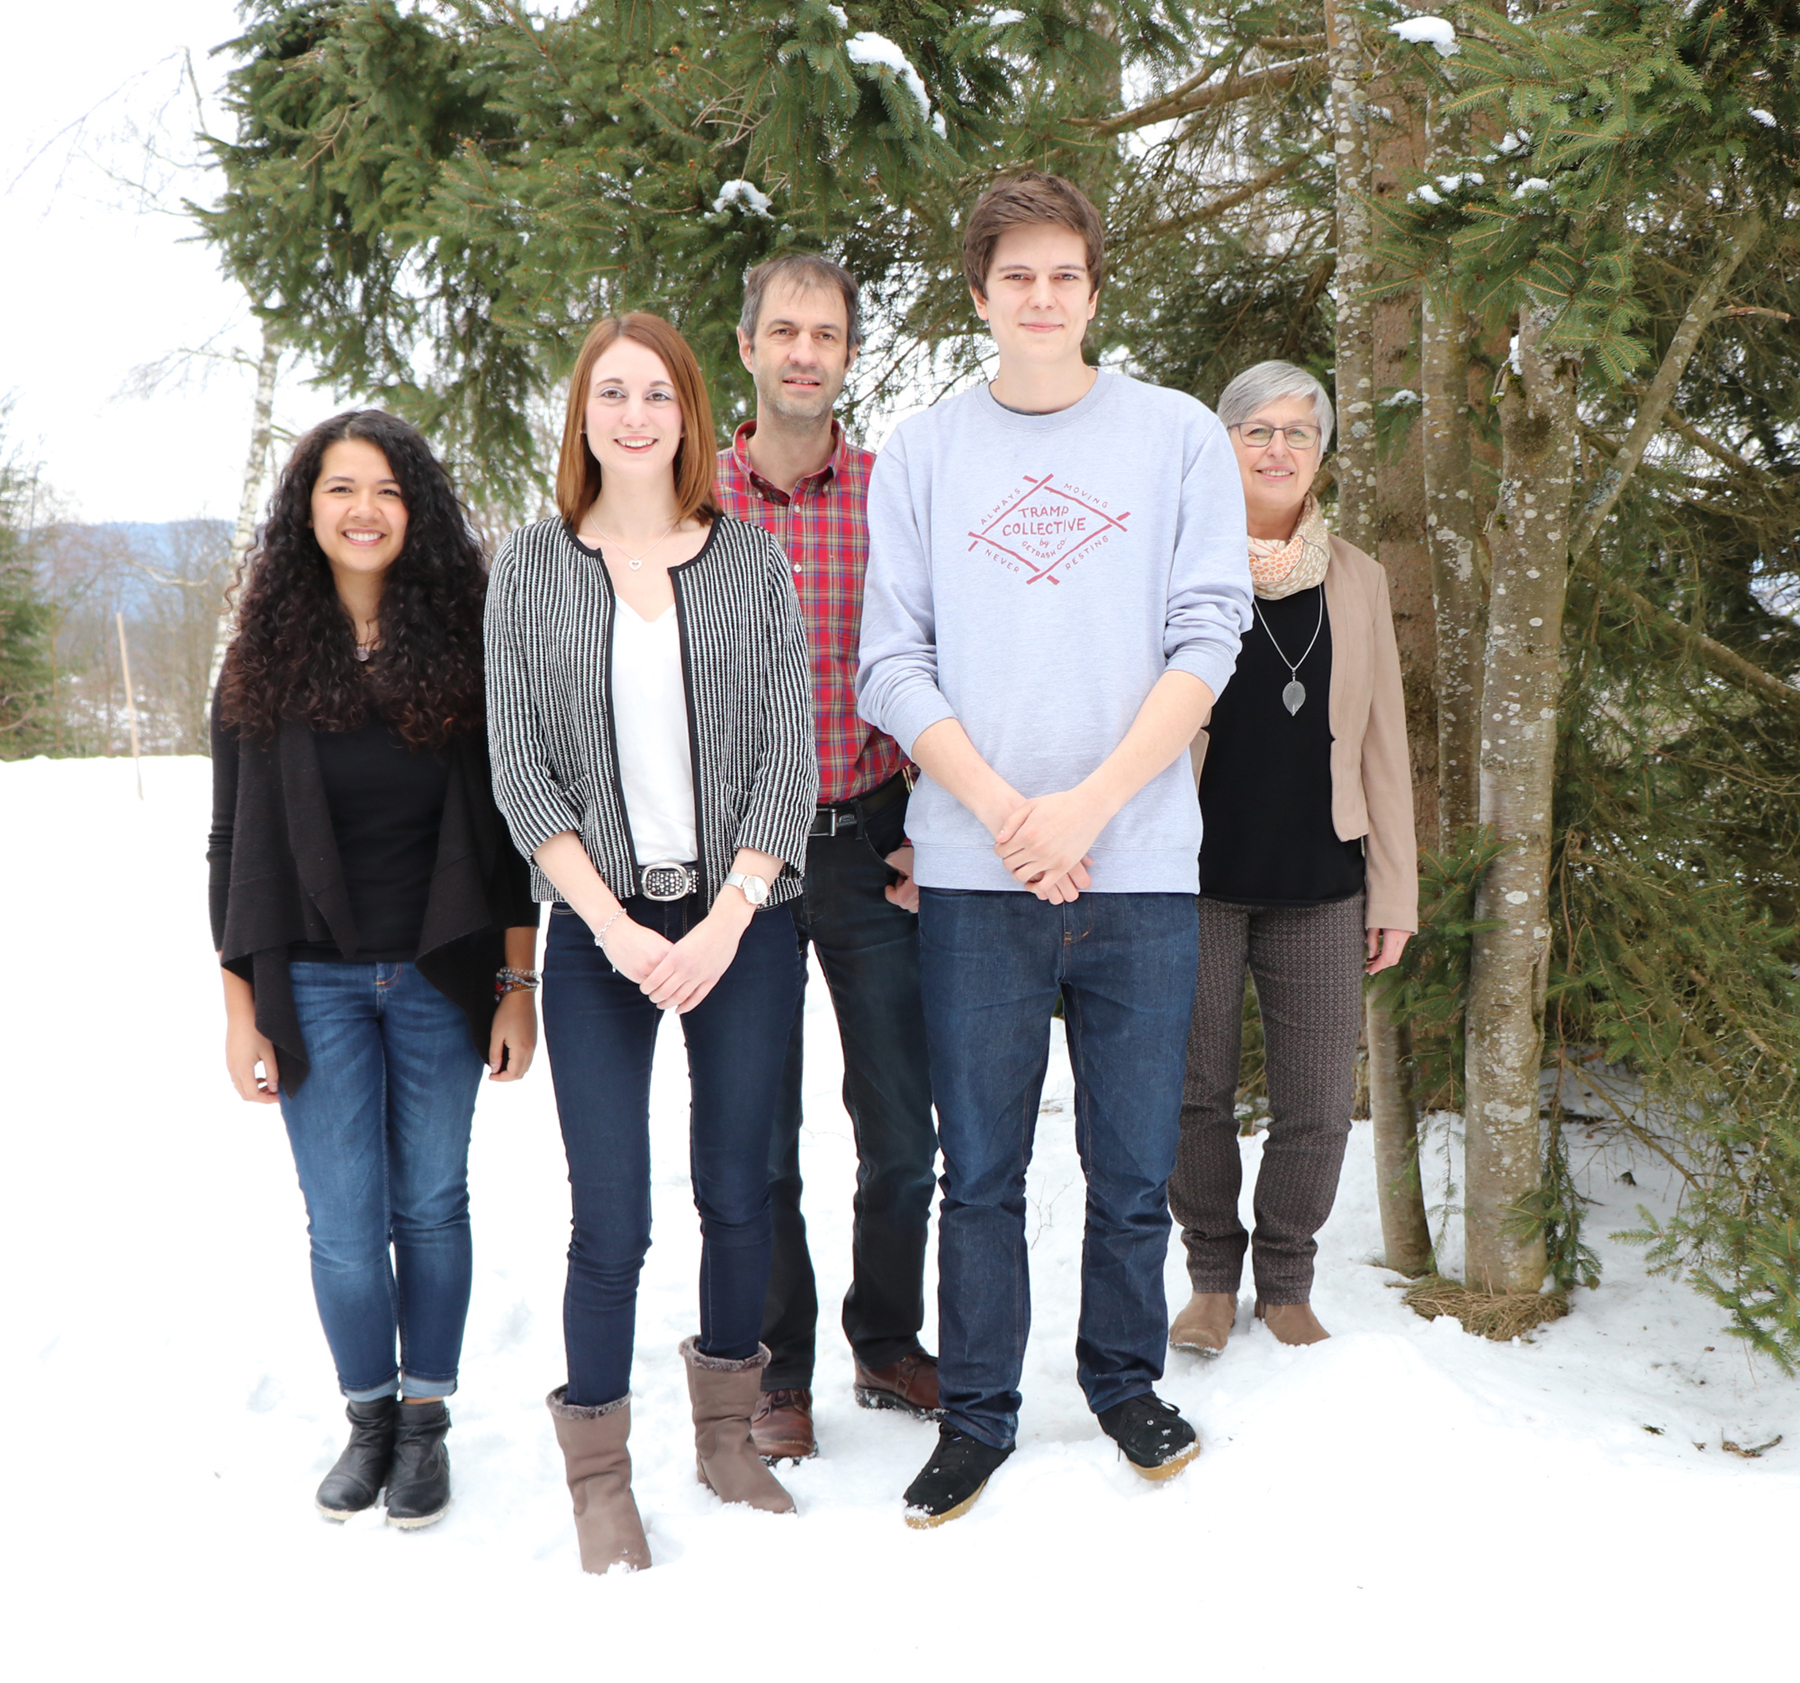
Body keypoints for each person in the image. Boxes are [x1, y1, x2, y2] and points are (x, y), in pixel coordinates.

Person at [858, 171, 1253, 1527]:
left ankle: (1124, 1377)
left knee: (1134, 1162)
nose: (1041, 297)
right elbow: (891, 661)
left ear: (1094, 288)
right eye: (1015, 276)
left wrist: (1084, 807)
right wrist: (1007, 813)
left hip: (1138, 866)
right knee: (981, 1165)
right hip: (975, 876)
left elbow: (1209, 635)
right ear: (980, 295)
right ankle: (976, 1413)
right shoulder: (922, 454)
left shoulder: (1178, 438)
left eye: (1064, 276)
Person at [485, 312, 818, 1573]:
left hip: (744, 919)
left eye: (658, 396)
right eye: (610, 394)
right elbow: (521, 774)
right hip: (598, 926)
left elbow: (789, 758)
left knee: (742, 1194)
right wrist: (620, 930)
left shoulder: (749, 563)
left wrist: (726, 919)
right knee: (610, 1215)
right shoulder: (530, 567)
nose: (635, 416)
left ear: (689, 415)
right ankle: (600, 1474)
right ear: (582, 413)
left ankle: (730, 1437)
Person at [209, 409, 541, 1529]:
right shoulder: (258, 663)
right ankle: (370, 1419)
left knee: (432, 1204)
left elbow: (508, 836)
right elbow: (228, 841)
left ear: (420, 512)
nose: (364, 510)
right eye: (341, 488)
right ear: (308, 509)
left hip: (442, 974)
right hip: (312, 982)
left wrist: (516, 987)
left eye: (388, 491)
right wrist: (240, 1008)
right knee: (345, 1223)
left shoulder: (468, 649)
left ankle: (429, 1417)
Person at [716, 253, 939, 1463]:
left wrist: (931, 824)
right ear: (747, 345)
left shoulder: (894, 492)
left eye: (829, 334)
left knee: (903, 1127)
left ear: (851, 354)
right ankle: (777, 1368)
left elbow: (947, 653)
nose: (806, 351)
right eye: (785, 330)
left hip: (866, 842)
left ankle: (886, 1335)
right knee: (756, 1139)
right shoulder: (692, 498)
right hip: (734, 866)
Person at [1167, 360, 1419, 1353]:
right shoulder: (1181, 562)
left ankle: (1287, 1280)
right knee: (1193, 1094)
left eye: (1298, 434)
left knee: (1315, 1099)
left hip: (1321, 884)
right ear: (1221, 445)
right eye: (1256, 431)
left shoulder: (1358, 579)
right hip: (1194, 882)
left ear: (1323, 453)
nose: (1278, 450)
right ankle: (1211, 1280)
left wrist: (1393, 890)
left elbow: (1383, 746)